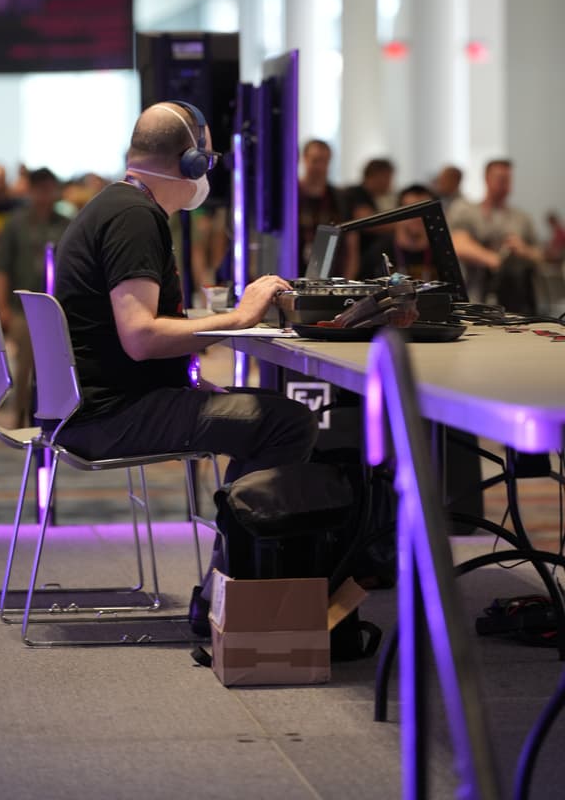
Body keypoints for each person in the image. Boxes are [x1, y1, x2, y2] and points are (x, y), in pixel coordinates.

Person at [53, 100, 319, 627]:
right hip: (111, 415)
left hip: (99, 405)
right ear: (193, 162)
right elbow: (141, 337)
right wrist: (239, 319)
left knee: (268, 409)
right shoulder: (135, 218)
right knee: (289, 423)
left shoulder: (116, 205)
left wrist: (217, 325)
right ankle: (232, 590)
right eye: (209, 159)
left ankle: (240, 576)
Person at [0, 167, 70, 427]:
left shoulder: (65, 224)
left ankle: (49, 417)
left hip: (56, 309)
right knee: (25, 363)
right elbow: (1, 267)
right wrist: (1, 307)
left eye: (50, 188)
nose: (46, 194)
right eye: (41, 188)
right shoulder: (16, 223)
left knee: (52, 366)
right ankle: (21, 417)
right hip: (21, 308)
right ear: (32, 190)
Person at [448, 158, 542, 314]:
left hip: (516, 303)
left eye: (508, 179)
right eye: (500, 178)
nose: (504, 184)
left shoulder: (521, 218)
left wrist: (524, 250)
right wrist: (495, 259)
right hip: (474, 300)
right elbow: (458, 245)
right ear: (486, 178)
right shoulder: (466, 210)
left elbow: (539, 256)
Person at [298, 139, 356, 278]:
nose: (319, 167)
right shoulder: (291, 197)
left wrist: (346, 282)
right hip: (292, 276)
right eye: (315, 160)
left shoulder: (340, 199)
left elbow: (352, 247)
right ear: (304, 159)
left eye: (324, 161)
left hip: (331, 281)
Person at [361, 183, 439, 281]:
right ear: (399, 214)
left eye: (423, 212)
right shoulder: (378, 252)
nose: (417, 218)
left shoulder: (441, 252)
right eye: (410, 211)